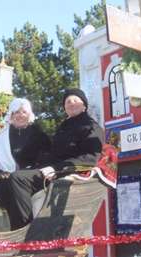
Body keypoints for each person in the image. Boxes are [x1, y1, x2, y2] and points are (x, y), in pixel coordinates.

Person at [7, 88, 104, 230]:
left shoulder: (91, 126)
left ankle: (24, 230)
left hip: (66, 172)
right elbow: (53, 153)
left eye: (75, 100)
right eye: (68, 102)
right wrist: (35, 164)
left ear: (84, 105)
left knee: (18, 178)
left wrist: (56, 168)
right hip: (51, 168)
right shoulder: (64, 127)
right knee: (7, 181)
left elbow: (90, 158)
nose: (71, 104)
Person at [0, 98, 50, 226]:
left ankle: (22, 228)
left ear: (29, 115)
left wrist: (26, 171)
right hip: (6, 176)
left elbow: (46, 158)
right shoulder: (1, 136)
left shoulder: (39, 135)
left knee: (14, 182)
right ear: (11, 114)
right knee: (2, 187)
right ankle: (2, 232)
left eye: (24, 112)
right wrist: (0, 172)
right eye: (17, 112)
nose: (20, 115)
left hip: (31, 177)